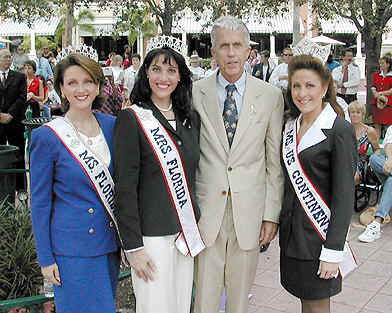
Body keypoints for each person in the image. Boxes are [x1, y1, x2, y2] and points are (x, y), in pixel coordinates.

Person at [192, 16, 284, 313]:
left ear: (248, 50)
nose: (231, 53)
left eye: (237, 46)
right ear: (214, 52)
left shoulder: (270, 96)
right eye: (223, 46)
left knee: (239, 300)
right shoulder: (194, 93)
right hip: (206, 214)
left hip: (250, 214)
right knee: (204, 297)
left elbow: (273, 162)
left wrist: (271, 214)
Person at [114, 38, 203, 313]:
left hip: (183, 232)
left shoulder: (190, 118)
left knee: (179, 306)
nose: (163, 77)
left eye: (171, 70)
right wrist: (133, 247)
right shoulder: (132, 118)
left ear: (181, 76)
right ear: (146, 73)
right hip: (150, 238)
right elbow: (125, 188)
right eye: (156, 69)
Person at [30, 53, 120, 313]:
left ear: (98, 86)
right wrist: (46, 259)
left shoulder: (112, 126)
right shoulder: (47, 136)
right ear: (61, 88)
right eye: (72, 83)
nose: (81, 89)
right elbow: (40, 202)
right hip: (71, 251)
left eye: (88, 81)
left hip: (107, 246)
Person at [280, 54, 357, 313]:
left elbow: (344, 196)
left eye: (310, 86)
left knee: (318, 305)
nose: (302, 93)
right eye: (296, 86)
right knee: (306, 302)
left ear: (324, 88)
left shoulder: (339, 130)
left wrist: (333, 250)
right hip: (293, 236)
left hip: (319, 237)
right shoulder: (291, 126)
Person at [358, 124, 392, 242]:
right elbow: (388, 144)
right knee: (374, 159)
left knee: (391, 181)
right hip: (389, 166)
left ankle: (376, 224)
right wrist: (390, 160)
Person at [0, 48, 27, 193]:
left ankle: (21, 190)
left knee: (18, 156)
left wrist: (10, 114)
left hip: (14, 123)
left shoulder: (19, 77)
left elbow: (22, 98)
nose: (8, 60)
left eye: (10, 57)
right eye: (5, 57)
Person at [348, 100, 380, 185]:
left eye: (358, 112)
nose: (355, 115)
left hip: (359, 162)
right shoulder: (344, 129)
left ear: (363, 115)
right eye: (352, 112)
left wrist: (373, 159)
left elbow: (377, 149)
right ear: (349, 115)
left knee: (351, 177)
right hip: (344, 160)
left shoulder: (369, 131)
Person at [370, 55, 392, 138]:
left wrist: (381, 93)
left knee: (389, 125)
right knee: (377, 124)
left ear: (388, 64)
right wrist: (375, 93)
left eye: (382, 63)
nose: (381, 65)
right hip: (377, 103)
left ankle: (388, 142)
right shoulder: (377, 75)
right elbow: (373, 86)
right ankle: (377, 142)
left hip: (388, 103)